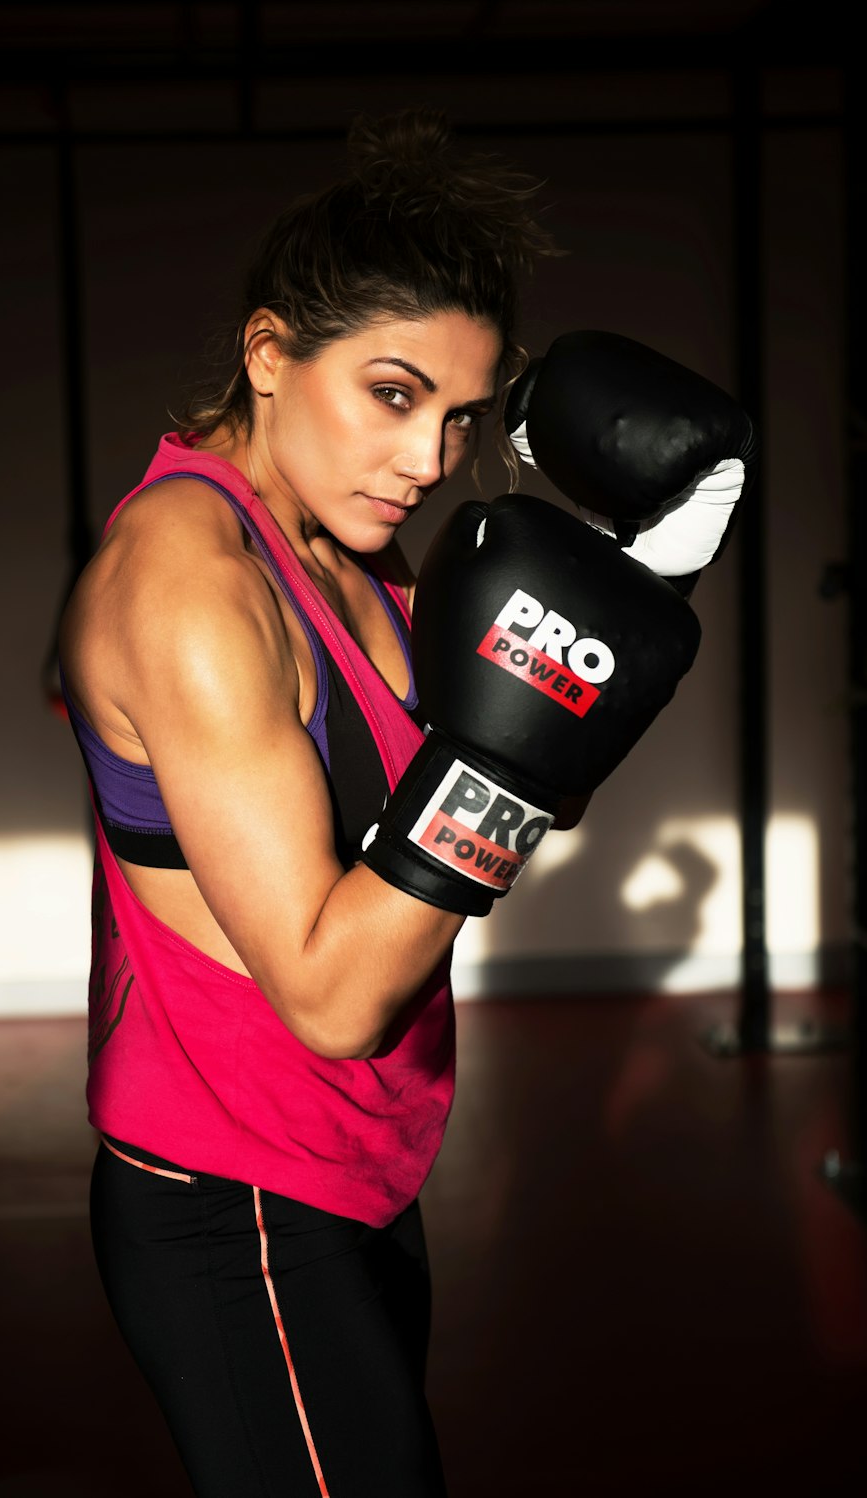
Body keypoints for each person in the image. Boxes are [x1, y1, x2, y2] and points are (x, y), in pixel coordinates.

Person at [58, 106, 754, 1498]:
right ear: (271, 355)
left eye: (463, 415)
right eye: (391, 394)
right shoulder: (193, 584)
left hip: (355, 1163)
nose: (432, 459)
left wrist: (652, 564)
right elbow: (330, 989)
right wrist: (507, 765)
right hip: (234, 1199)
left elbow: (506, 705)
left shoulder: (348, 557)